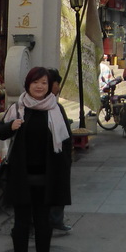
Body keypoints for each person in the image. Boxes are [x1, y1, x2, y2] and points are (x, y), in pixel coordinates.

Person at [0, 66, 73, 252]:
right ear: (28, 84)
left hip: (46, 178)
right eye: (35, 82)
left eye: (44, 83)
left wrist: (62, 175)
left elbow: (66, 144)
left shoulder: (56, 109)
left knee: (43, 224)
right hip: (21, 177)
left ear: (49, 87)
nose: (39, 86)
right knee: (20, 225)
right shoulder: (18, 108)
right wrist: (11, 125)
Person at [47, 68, 72, 233]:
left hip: (59, 156)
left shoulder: (56, 106)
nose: (59, 87)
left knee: (57, 189)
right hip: (51, 158)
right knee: (53, 190)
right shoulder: (50, 107)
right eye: (57, 83)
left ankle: (55, 220)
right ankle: (51, 221)